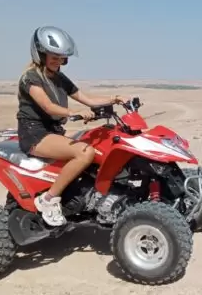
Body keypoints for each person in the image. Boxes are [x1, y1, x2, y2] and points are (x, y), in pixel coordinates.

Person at [17, 26, 129, 227]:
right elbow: (48, 106)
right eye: (54, 57)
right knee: (85, 153)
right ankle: (48, 200)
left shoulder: (59, 77)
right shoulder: (31, 78)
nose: (58, 62)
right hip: (35, 134)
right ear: (40, 53)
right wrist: (73, 113)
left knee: (99, 143)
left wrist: (115, 99)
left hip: (54, 132)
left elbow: (86, 99)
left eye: (61, 58)